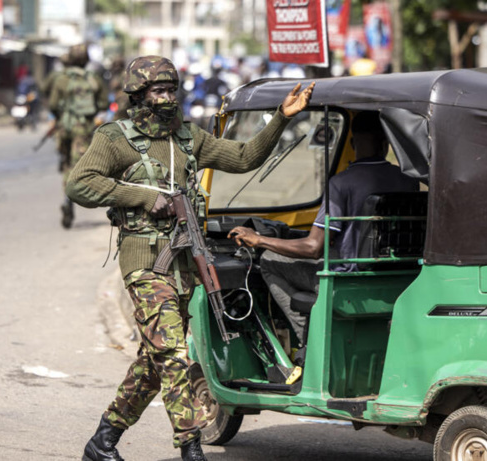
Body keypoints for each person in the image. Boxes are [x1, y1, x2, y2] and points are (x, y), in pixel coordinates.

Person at [66, 55, 314, 461]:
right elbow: (79, 184)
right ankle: (190, 446)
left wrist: (281, 119)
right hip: (144, 263)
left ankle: (103, 440)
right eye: (158, 91)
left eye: (171, 90)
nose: (167, 98)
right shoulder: (114, 138)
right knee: (174, 353)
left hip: (183, 265)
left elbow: (244, 157)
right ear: (139, 95)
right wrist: (142, 196)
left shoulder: (187, 137)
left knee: (155, 361)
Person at [228, 111, 419, 342]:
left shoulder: (341, 183)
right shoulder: (408, 180)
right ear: (385, 143)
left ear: (352, 143)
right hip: (396, 276)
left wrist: (259, 240)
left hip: (348, 280)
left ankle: (307, 339)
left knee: (269, 259)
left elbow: (313, 248)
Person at [49, 43, 109, 229]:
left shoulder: (62, 79)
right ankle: (69, 199)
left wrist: (62, 116)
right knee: (77, 167)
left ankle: (66, 199)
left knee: (67, 164)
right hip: (83, 130)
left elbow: (53, 105)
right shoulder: (93, 79)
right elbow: (104, 104)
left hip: (64, 129)